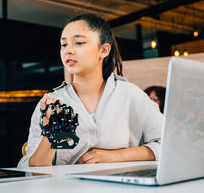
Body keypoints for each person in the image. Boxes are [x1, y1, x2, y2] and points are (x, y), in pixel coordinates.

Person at [18, 14, 163, 167]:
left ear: (104, 50)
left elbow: (169, 144)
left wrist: (116, 156)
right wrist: (51, 133)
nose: (68, 50)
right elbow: (30, 170)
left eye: (79, 42)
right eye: (64, 44)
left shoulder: (130, 94)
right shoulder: (51, 103)